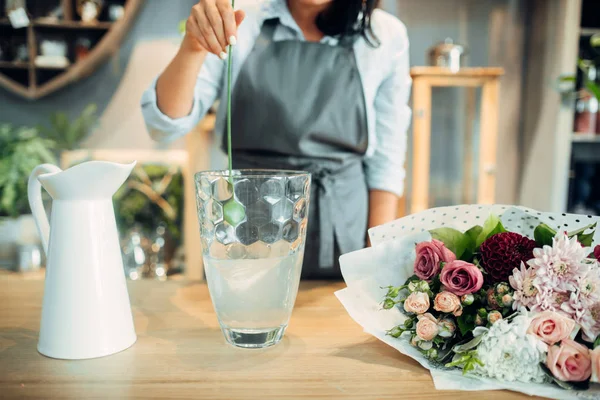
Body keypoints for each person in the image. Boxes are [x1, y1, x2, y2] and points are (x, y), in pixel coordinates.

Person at [141, 0, 411, 279]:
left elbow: (385, 166)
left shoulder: (384, 36)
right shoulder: (238, 19)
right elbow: (163, 126)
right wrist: (193, 46)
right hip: (244, 235)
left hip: (343, 236)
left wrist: (376, 265)